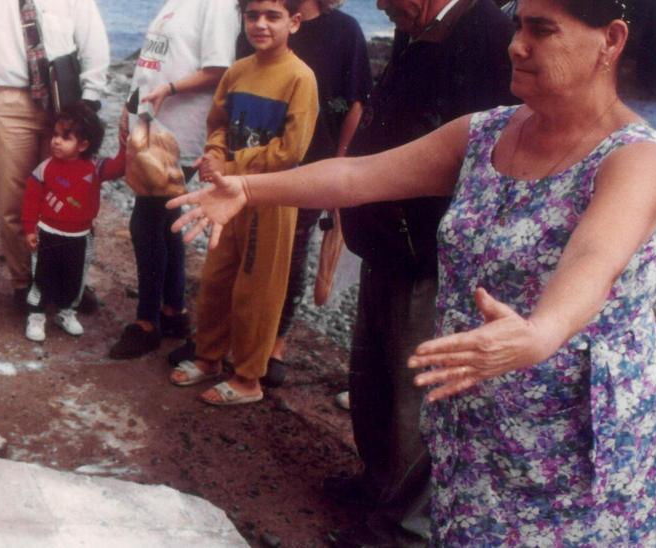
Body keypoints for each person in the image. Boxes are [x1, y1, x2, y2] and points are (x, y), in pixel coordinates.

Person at [170, 0, 656, 543]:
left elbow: (596, 257)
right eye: (519, 25)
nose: (515, 45)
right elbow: (357, 177)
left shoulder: (637, 159)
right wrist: (248, 189)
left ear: (611, 41)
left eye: (541, 31)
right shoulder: (486, 133)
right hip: (474, 417)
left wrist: (542, 331)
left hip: (570, 443)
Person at [278, 0, 510, 544]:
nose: (380, 6)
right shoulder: (420, 28)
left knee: (413, 391)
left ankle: (403, 529)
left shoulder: (485, 31)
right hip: (386, 241)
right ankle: (377, 482)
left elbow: (482, 149)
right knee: (372, 373)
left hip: (428, 254)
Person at [166, 0, 318, 407]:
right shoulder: (237, 71)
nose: (261, 24)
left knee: (259, 288)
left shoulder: (300, 77)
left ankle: (249, 378)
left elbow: (290, 150)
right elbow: (216, 123)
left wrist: (231, 163)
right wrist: (214, 155)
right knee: (217, 277)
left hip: (271, 196)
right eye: (253, 15)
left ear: (294, 22)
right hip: (225, 195)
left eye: (273, 16)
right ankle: (209, 358)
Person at [233, 0, 371, 384]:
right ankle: (243, 338)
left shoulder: (344, 30)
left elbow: (356, 103)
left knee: (290, 255)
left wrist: (341, 165)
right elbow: (239, 84)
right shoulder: (262, 18)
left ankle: (276, 342)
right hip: (253, 159)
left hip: (312, 165)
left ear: (293, 21)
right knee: (246, 247)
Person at [0, 0, 111, 310]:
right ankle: (24, 283)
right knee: (12, 201)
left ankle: (69, 281)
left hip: (64, 103)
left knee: (69, 196)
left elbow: (93, 42)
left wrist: (89, 99)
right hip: (6, 103)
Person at [106, 0, 240, 360]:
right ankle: (173, 312)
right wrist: (128, 108)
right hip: (150, 127)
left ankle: (146, 323)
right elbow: (152, 65)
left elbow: (219, 68)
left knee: (146, 223)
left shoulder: (219, 6)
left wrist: (170, 90)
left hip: (179, 133)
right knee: (166, 222)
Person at [21, 105, 125, 342]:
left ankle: (66, 311)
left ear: (83, 145)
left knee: (74, 276)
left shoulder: (95, 167)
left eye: (65, 137)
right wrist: (29, 229)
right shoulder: (45, 168)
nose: (56, 141)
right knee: (42, 276)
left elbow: (120, 167)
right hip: (47, 232)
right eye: (55, 135)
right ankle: (36, 315)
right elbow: (30, 200)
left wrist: (126, 144)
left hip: (80, 236)